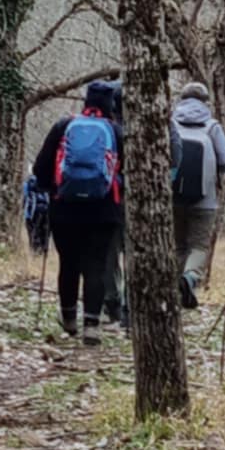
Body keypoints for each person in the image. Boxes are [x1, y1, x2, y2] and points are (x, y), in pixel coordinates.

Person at [31, 79, 123, 345]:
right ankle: (92, 324)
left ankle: (69, 319)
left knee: (69, 263)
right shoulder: (115, 132)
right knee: (96, 264)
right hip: (104, 209)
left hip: (65, 208)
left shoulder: (64, 126)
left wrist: (51, 188)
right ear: (110, 105)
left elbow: (41, 168)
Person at [169, 80, 225, 308]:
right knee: (199, 246)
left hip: (172, 197)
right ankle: (189, 279)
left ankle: (175, 292)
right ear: (205, 102)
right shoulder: (211, 127)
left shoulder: (171, 124)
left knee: (179, 245)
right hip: (204, 199)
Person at [102, 78, 128, 327]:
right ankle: (132, 306)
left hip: (109, 199)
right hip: (139, 200)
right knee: (136, 252)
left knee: (110, 253)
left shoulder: (106, 129)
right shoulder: (152, 126)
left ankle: (113, 303)